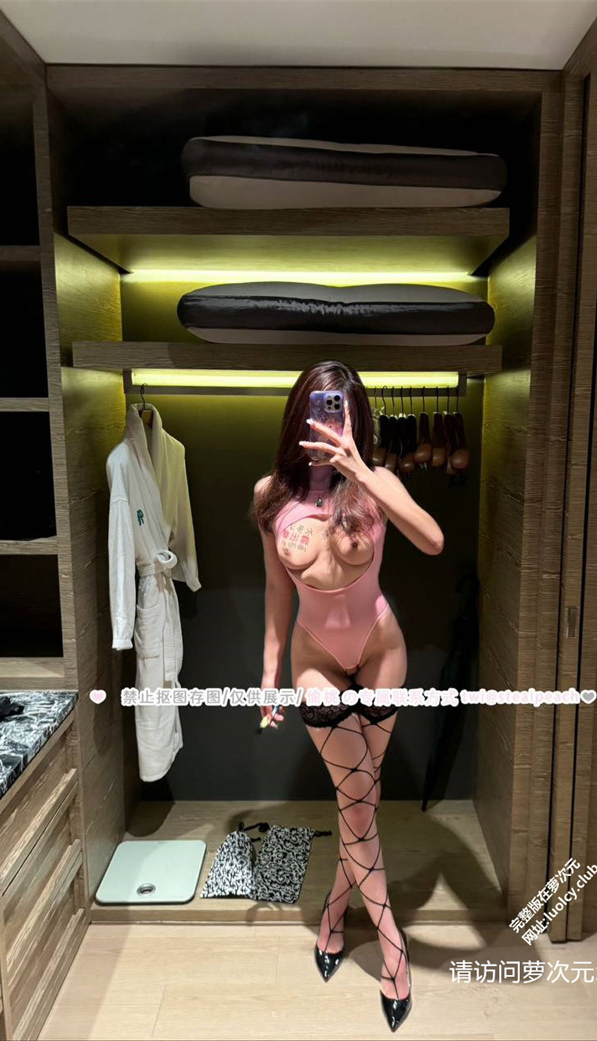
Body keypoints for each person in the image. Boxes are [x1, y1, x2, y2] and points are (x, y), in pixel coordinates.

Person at [252, 360, 444, 1032]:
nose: (326, 421)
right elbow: (277, 591)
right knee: (359, 802)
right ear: (297, 414)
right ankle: (395, 951)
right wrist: (269, 673)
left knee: (358, 803)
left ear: (355, 418)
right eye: (316, 407)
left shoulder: (378, 482)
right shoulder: (271, 495)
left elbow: (432, 540)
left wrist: (362, 472)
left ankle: (334, 916)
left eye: (338, 409)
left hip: (382, 649)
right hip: (315, 660)